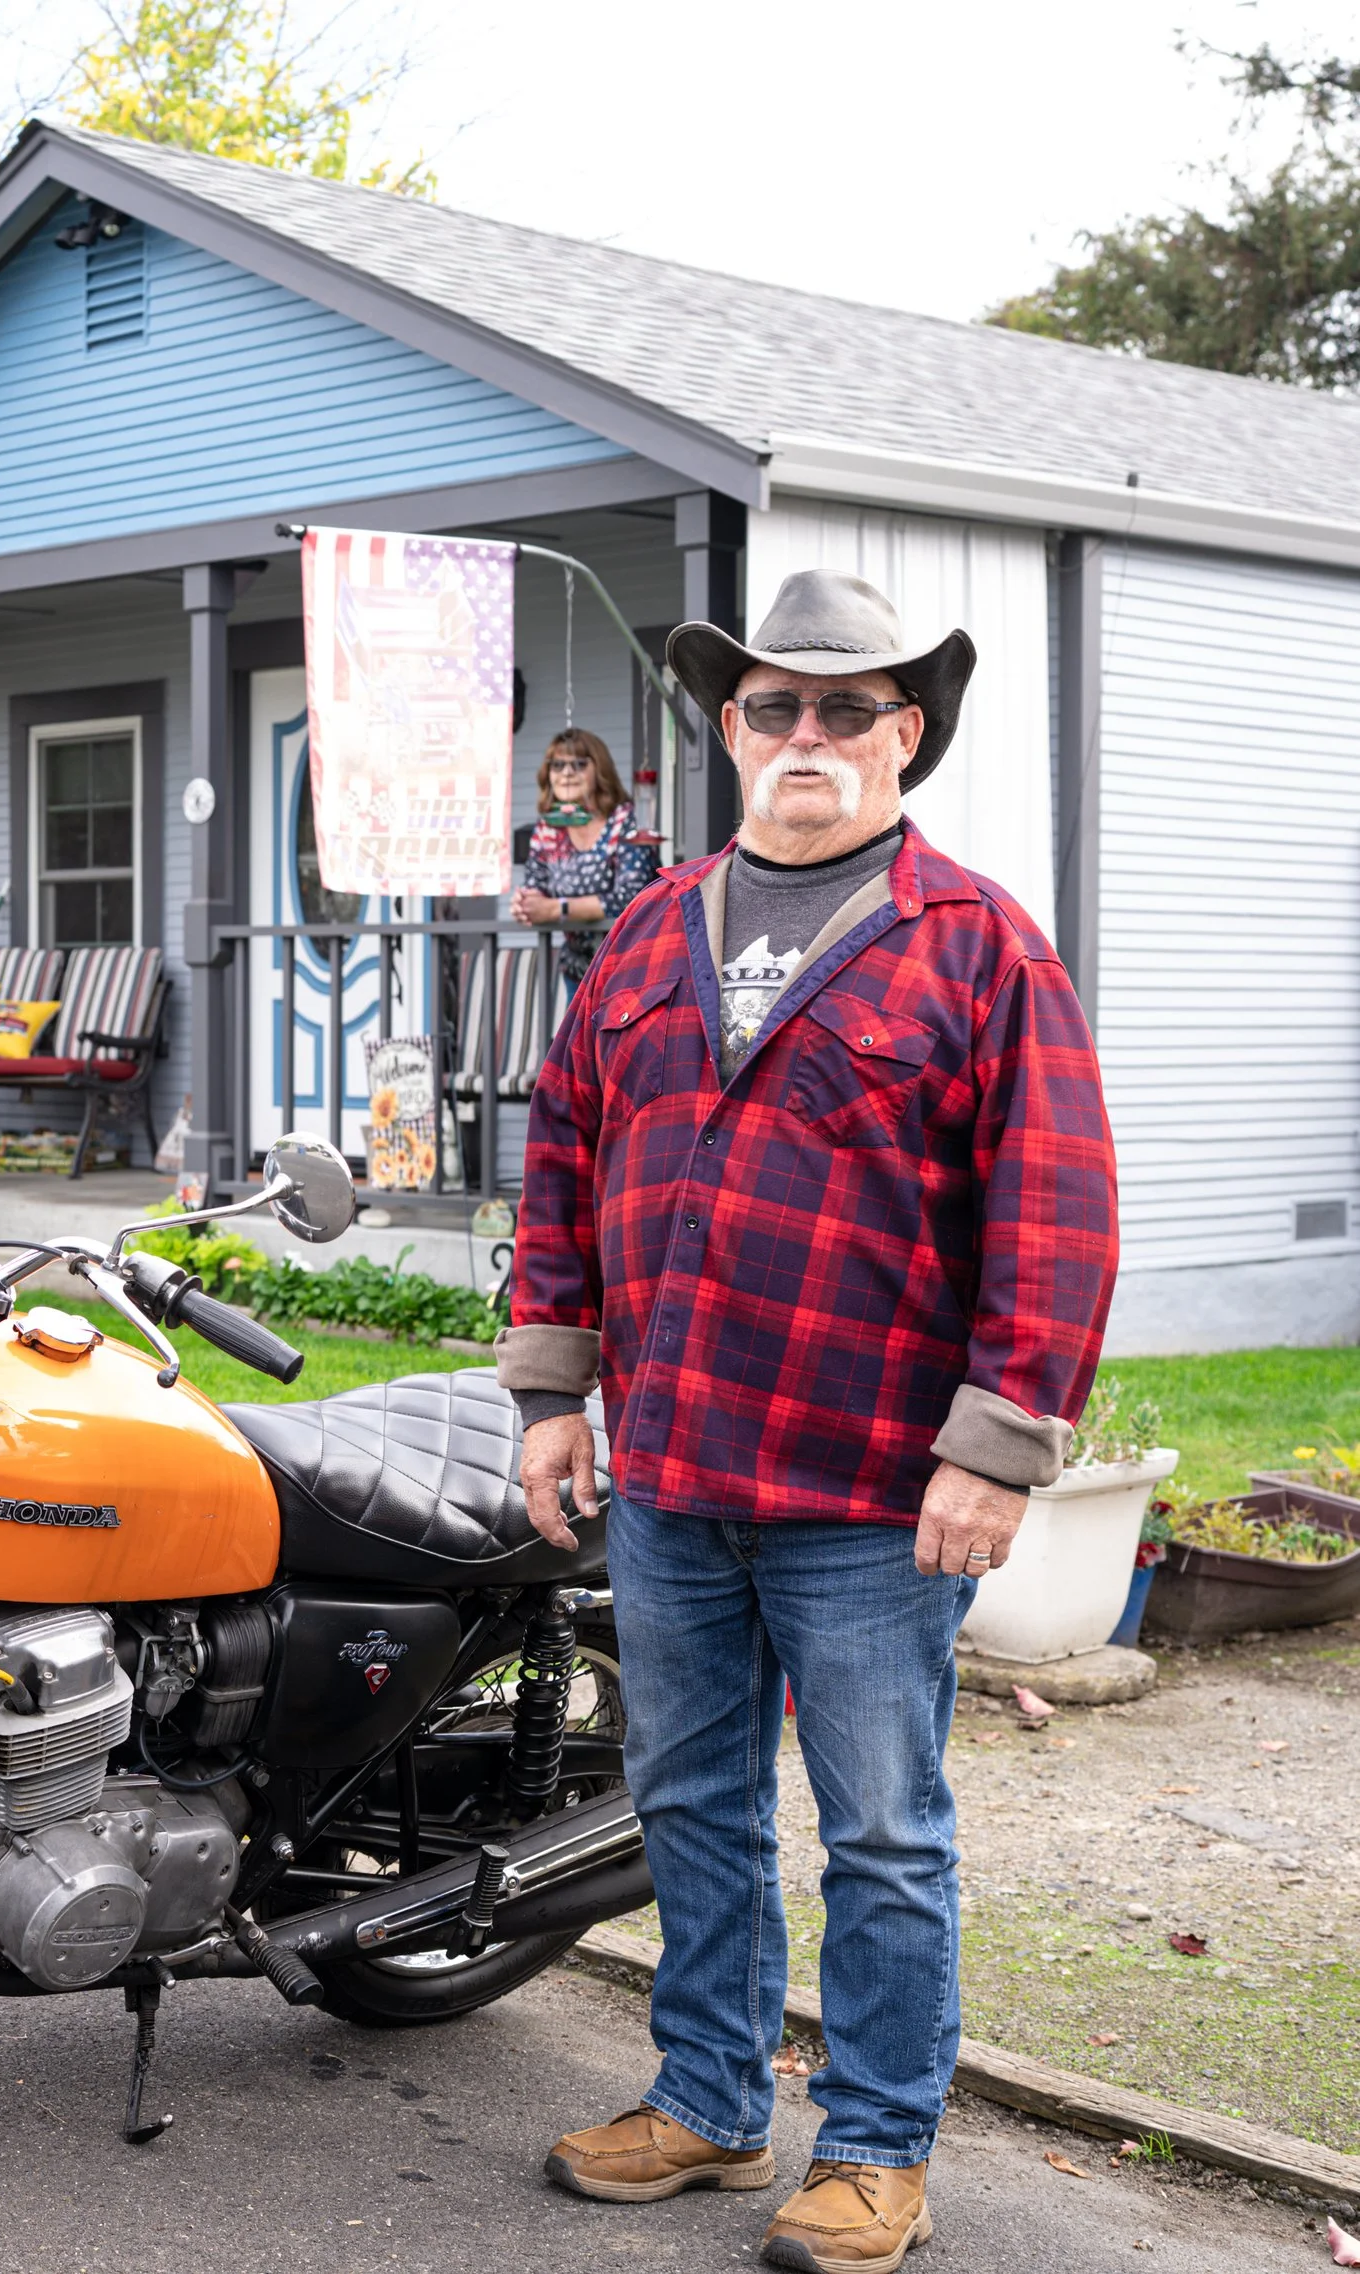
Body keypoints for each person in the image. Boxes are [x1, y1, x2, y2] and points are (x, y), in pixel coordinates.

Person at [498, 570, 1118, 2273]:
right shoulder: (644, 932)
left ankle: (874, 2141)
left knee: (883, 1830)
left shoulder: (977, 941)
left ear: (905, 732)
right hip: (675, 1466)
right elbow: (563, 1161)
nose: (808, 735)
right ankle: (706, 2097)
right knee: (691, 1798)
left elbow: (1055, 1210)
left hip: (864, 1488)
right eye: (775, 705)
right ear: (730, 728)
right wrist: (556, 1389)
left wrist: (996, 1449)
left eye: (848, 708)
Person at [508, 727, 658, 985]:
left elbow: (631, 899)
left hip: (633, 966)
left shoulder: (625, 821)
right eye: (557, 765)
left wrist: (556, 909)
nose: (567, 773)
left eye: (578, 764)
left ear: (598, 771)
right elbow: (536, 889)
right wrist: (524, 905)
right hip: (579, 970)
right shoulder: (548, 829)